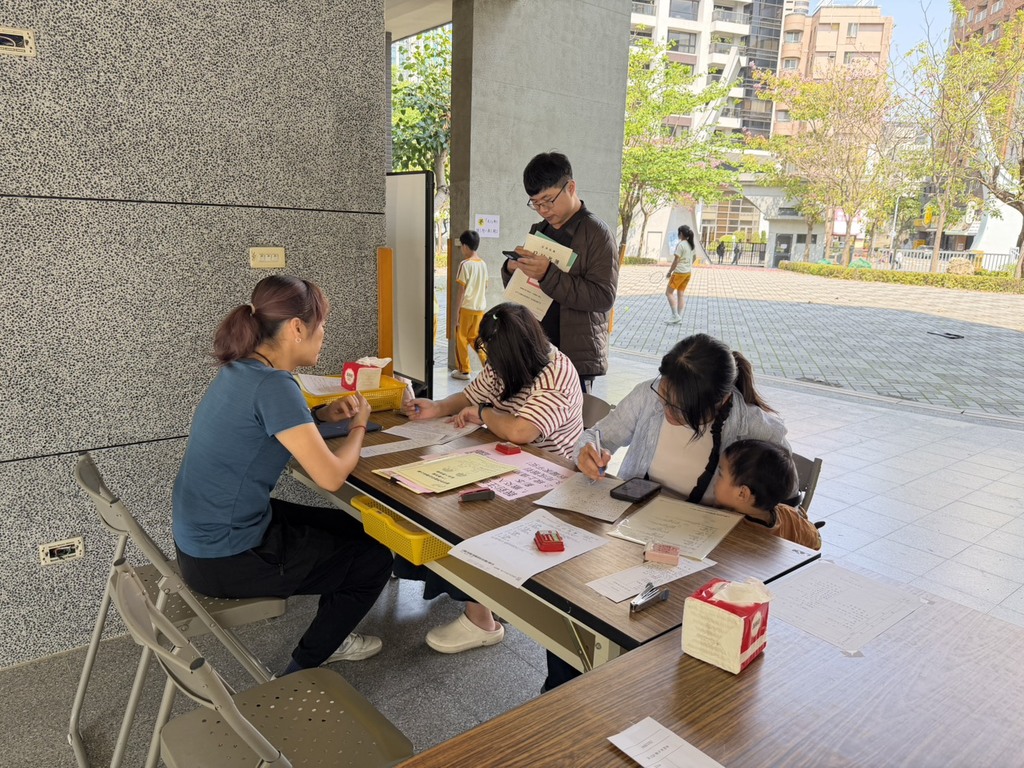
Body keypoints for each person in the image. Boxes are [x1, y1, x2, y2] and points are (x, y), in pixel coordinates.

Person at [544, 333, 792, 691]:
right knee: (576, 603)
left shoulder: (752, 426)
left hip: (700, 555)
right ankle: (562, 692)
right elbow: (597, 435)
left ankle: (611, 695)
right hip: (632, 533)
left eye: (678, 409)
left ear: (719, 402)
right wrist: (587, 451)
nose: (665, 409)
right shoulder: (649, 395)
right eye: (664, 395)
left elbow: (783, 488)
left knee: (653, 639)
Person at [172, 275, 393, 676]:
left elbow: (263, 426)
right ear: (296, 328)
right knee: (374, 560)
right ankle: (300, 670)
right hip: (226, 556)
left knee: (356, 527)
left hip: (201, 539)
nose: (324, 335)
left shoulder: (242, 369)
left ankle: (334, 629)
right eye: (322, 325)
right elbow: (331, 477)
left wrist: (320, 415)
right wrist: (360, 423)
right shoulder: (275, 386)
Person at [396, 302, 584, 653]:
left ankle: (481, 620)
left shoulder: (557, 373)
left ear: (518, 354)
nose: (490, 365)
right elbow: (470, 395)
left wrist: (482, 414)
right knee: (436, 494)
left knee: (470, 516)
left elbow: (520, 431)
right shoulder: (506, 362)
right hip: (506, 463)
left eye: (495, 358)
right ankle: (467, 589)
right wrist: (437, 407)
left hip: (549, 479)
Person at [501, 151, 618, 394]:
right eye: (535, 203)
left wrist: (548, 274)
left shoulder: (597, 233)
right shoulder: (540, 229)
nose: (543, 210)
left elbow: (603, 297)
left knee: (568, 418)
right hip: (537, 351)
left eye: (548, 200)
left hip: (575, 357)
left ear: (571, 187)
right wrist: (512, 269)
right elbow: (524, 289)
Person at [713, 439, 821, 550]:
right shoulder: (789, 516)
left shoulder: (725, 526)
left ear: (742, 493)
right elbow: (816, 541)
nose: (714, 479)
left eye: (720, 474)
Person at [451, 230, 489, 381]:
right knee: (476, 338)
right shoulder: (483, 264)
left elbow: (461, 291)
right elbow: (485, 286)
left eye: (462, 246)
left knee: (461, 338)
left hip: (466, 308)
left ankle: (464, 370)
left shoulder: (465, 264)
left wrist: (456, 313)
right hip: (480, 308)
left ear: (465, 246)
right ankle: (488, 365)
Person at [665, 225, 695, 325]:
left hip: (679, 273)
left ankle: (675, 316)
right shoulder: (691, 245)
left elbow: (676, 261)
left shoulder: (680, 245)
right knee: (680, 294)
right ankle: (679, 317)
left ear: (681, 233)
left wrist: (669, 272)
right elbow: (694, 258)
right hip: (687, 273)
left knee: (668, 293)